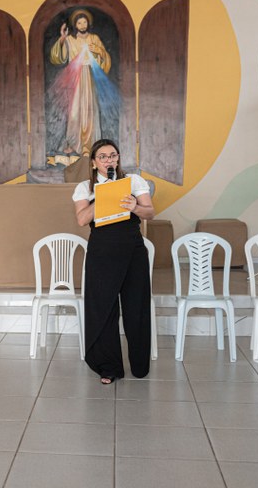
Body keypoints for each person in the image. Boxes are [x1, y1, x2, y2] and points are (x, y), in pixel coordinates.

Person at [72, 139, 155, 384]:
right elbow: (81, 220)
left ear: (118, 158)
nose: (109, 160)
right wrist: (104, 196)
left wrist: (135, 206)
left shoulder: (134, 182)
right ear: (94, 162)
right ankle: (108, 367)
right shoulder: (84, 187)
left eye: (113, 155)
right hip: (102, 251)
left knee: (136, 307)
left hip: (132, 250)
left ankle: (139, 365)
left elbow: (150, 212)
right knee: (104, 309)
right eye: (103, 157)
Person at [50, 9, 119, 157]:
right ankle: (73, 143)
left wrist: (100, 51)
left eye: (84, 22)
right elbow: (57, 58)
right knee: (74, 111)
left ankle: (89, 145)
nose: (82, 25)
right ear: (75, 25)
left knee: (89, 111)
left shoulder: (94, 38)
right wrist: (62, 38)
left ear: (88, 23)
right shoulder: (70, 39)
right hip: (75, 78)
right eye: (79, 22)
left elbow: (105, 60)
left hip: (90, 77)